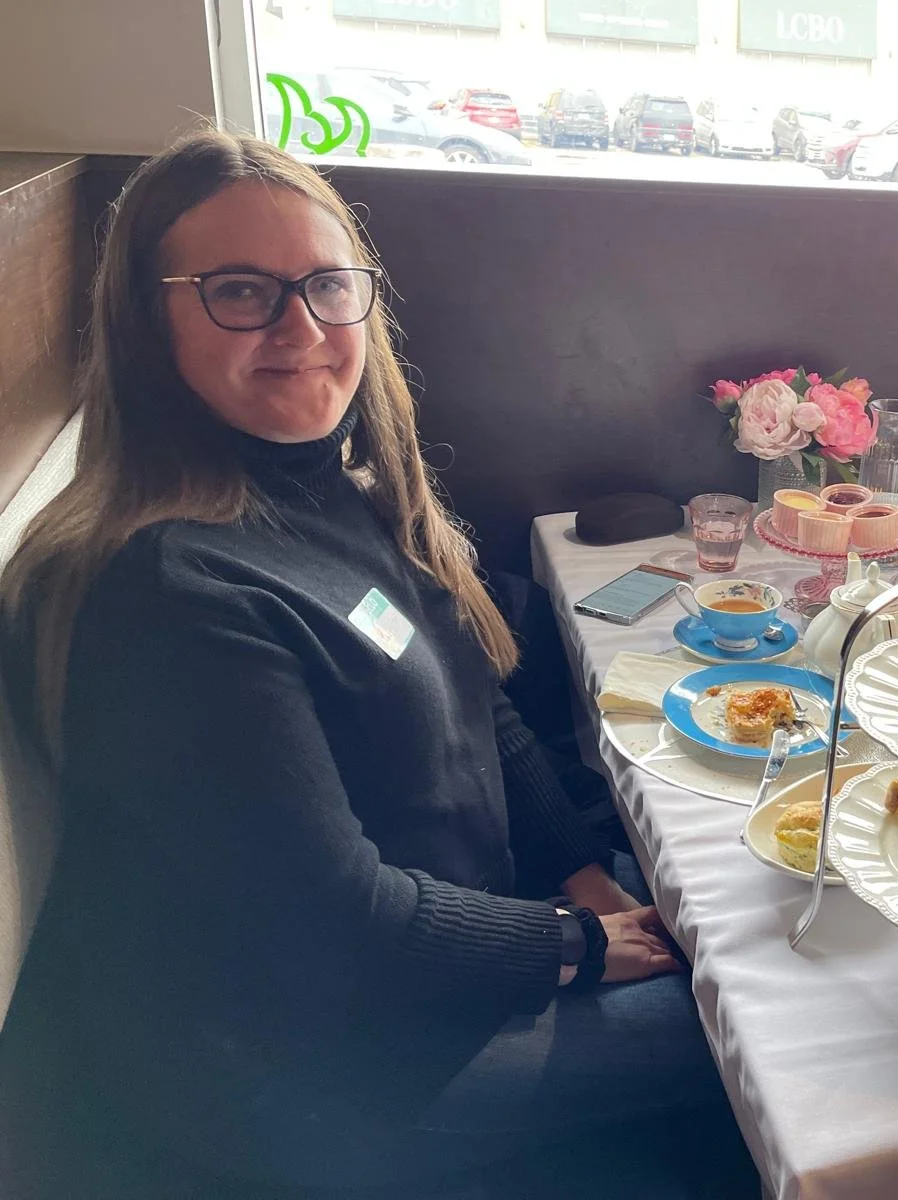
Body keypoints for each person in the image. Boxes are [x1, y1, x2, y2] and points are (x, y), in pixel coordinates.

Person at [0, 130, 756, 1198]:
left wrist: (583, 870)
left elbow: (480, 716)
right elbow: (331, 926)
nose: (300, 327)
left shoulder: (334, 495)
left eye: (325, 285)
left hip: (460, 945)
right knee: (756, 1034)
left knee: (753, 912)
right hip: (343, 1067)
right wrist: (580, 943)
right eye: (238, 292)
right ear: (142, 320)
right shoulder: (168, 592)